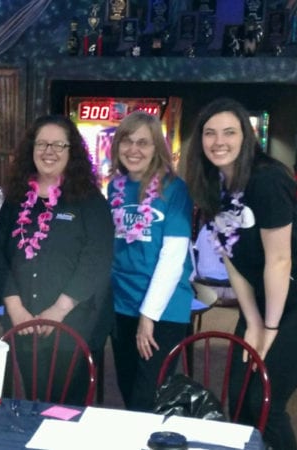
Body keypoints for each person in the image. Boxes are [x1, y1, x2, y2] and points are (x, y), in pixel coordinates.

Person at [183, 97, 297, 450]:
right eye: (210, 133)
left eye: (229, 132)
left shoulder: (267, 180)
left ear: (246, 137)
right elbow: (231, 259)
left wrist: (269, 329)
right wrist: (252, 321)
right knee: (238, 399)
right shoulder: (213, 184)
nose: (218, 141)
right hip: (264, 297)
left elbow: (279, 260)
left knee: (264, 401)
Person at [0, 114, 114, 406]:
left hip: (75, 325)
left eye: (59, 145)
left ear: (72, 152)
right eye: (42, 144)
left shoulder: (90, 201)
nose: (49, 151)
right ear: (31, 149)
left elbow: (97, 259)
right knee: (33, 401)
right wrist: (15, 308)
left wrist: (58, 310)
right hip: (23, 323)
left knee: (66, 409)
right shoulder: (15, 199)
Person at [107, 111, 194, 412]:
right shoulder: (115, 187)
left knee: (148, 398)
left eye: (143, 142)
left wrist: (148, 316)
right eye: (127, 141)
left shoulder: (175, 189)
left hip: (163, 308)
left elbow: (173, 258)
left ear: (157, 147)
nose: (134, 149)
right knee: (128, 389)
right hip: (122, 303)